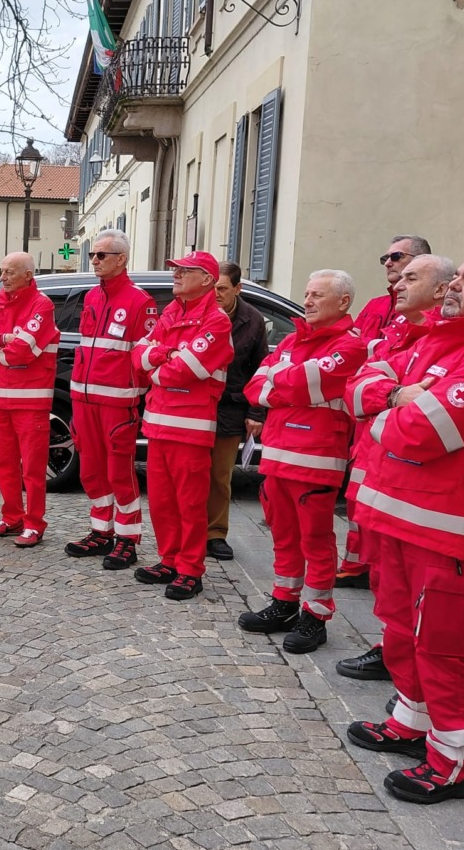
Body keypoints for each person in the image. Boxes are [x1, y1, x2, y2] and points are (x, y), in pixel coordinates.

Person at [344, 249, 464, 804]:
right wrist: (396, 400)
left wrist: (386, 411)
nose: (452, 286)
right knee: (400, 630)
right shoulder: (434, 341)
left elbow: (418, 434)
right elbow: (358, 388)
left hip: (445, 526)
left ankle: (452, 761)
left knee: (443, 645)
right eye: (455, 278)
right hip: (396, 514)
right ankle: (409, 722)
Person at [335, 254, 455, 683]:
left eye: (408, 275)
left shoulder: (442, 337)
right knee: (386, 574)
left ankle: (405, 662)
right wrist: (392, 395)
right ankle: (394, 650)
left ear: (441, 288)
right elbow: (356, 387)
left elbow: (421, 417)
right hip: (374, 461)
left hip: (406, 471)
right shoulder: (402, 329)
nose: (396, 282)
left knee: (409, 580)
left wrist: (384, 398)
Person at [239, 270, 367, 653]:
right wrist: (291, 384)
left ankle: (315, 614)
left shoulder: (351, 346)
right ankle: (284, 601)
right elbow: (255, 388)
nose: (307, 301)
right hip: (277, 456)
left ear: (343, 302)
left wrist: (282, 382)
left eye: (317, 295)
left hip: (317, 459)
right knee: (283, 535)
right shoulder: (292, 341)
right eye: (307, 293)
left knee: (316, 540)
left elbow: (284, 384)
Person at [130, 251, 233, 600]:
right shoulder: (171, 312)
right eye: (175, 269)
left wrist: (159, 363)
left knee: (190, 503)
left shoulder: (217, 321)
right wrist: (164, 357)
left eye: (183, 270)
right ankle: (169, 559)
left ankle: (191, 569)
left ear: (206, 279)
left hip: (190, 427)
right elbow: (139, 355)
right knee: (161, 501)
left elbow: (188, 368)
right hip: (158, 425)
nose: (175, 274)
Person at [64, 229, 153, 570]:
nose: (95, 261)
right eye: (93, 255)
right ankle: (101, 531)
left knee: (120, 473)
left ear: (122, 259)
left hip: (117, 405)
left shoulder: (139, 301)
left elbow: (142, 359)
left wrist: (134, 398)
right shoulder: (91, 297)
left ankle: (128, 539)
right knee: (91, 472)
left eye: (102, 255)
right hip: (85, 401)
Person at [0, 251, 58, 548]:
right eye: (2, 271)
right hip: (1, 400)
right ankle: (12, 517)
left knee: (33, 470)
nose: (3, 277)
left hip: (31, 403)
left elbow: (22, 350)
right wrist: (5, 340)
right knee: (5, 465)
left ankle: (34, 523)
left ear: (28, 275)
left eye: (10, 272)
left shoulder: (42, 305)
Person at [205, 262, 269, 562]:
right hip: (197, 406)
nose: (215, 294)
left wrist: (256, 412)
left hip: (230, 407)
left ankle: (216, 534)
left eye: (222, 289)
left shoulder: (252, 320)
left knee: (220, 475)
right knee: (190, 474)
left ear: (237, 289)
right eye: (212, 288)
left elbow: (260, 369)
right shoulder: (197, 313)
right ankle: (188, 531)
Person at [354, 235, 432, 341]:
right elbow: (351, 342)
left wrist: (367, 345)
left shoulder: (426, 304)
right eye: (385, 258)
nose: (387, 263)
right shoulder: (374, 305)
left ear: (420, 260)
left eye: (396, 257)